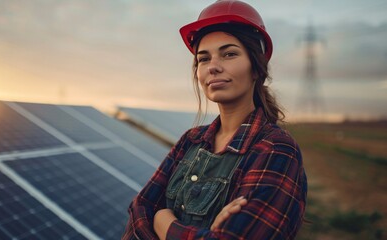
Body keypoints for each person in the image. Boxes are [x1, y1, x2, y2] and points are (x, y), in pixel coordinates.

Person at [122, 0, 307, 239]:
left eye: (229, 54)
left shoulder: (276, 149)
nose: (213, 67)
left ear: (257, 68)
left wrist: (162, 221)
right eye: (204, 58)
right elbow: (139, 210)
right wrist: (205, 233)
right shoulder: (191, 140)